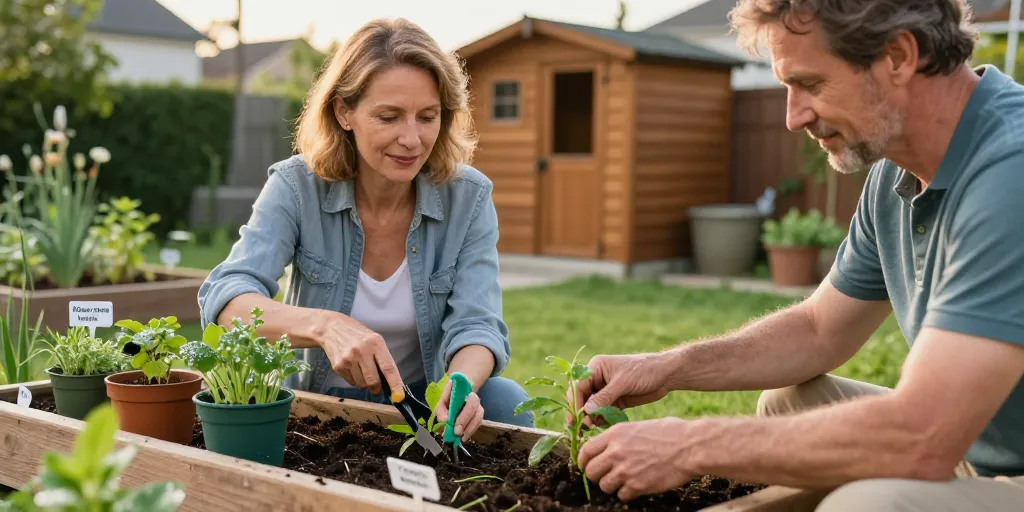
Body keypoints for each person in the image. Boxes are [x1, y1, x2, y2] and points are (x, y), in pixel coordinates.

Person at [570, 1, 1024, 510]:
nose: (792, 117)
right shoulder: (894, 173)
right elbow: (819, 330)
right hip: (977, 448)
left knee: (867, 506)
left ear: (898, 56)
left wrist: (690, 445)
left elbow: (922, 434)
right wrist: (668, 366)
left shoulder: (1012, 170)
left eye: (810, 84)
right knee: (791, 402)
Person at [197, 17, 533, 442]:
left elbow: (478, 326)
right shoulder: (297, 186)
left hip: (422, 401)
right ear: (344, 112)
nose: (411, 139)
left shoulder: (468, 197)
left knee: (506, 402)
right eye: (389, 117)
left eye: (427, 117)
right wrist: (325, 327)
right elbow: (227, 297)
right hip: (318, 399)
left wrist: (459, 383)